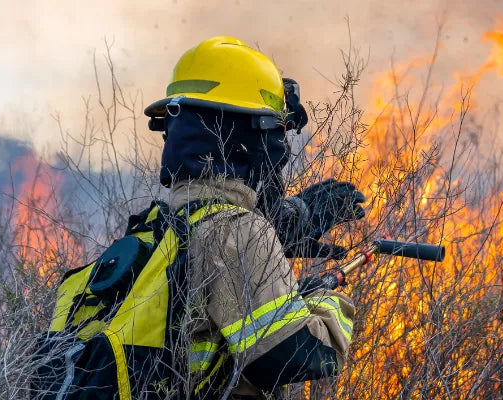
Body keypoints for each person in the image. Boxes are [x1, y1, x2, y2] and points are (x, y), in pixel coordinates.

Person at [143, 36, 365, 398]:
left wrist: (283, 224)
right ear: (251, 136)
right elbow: (300, 357)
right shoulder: (236, 232)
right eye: (276, 131)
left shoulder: (153, 228)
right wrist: (322, 303)